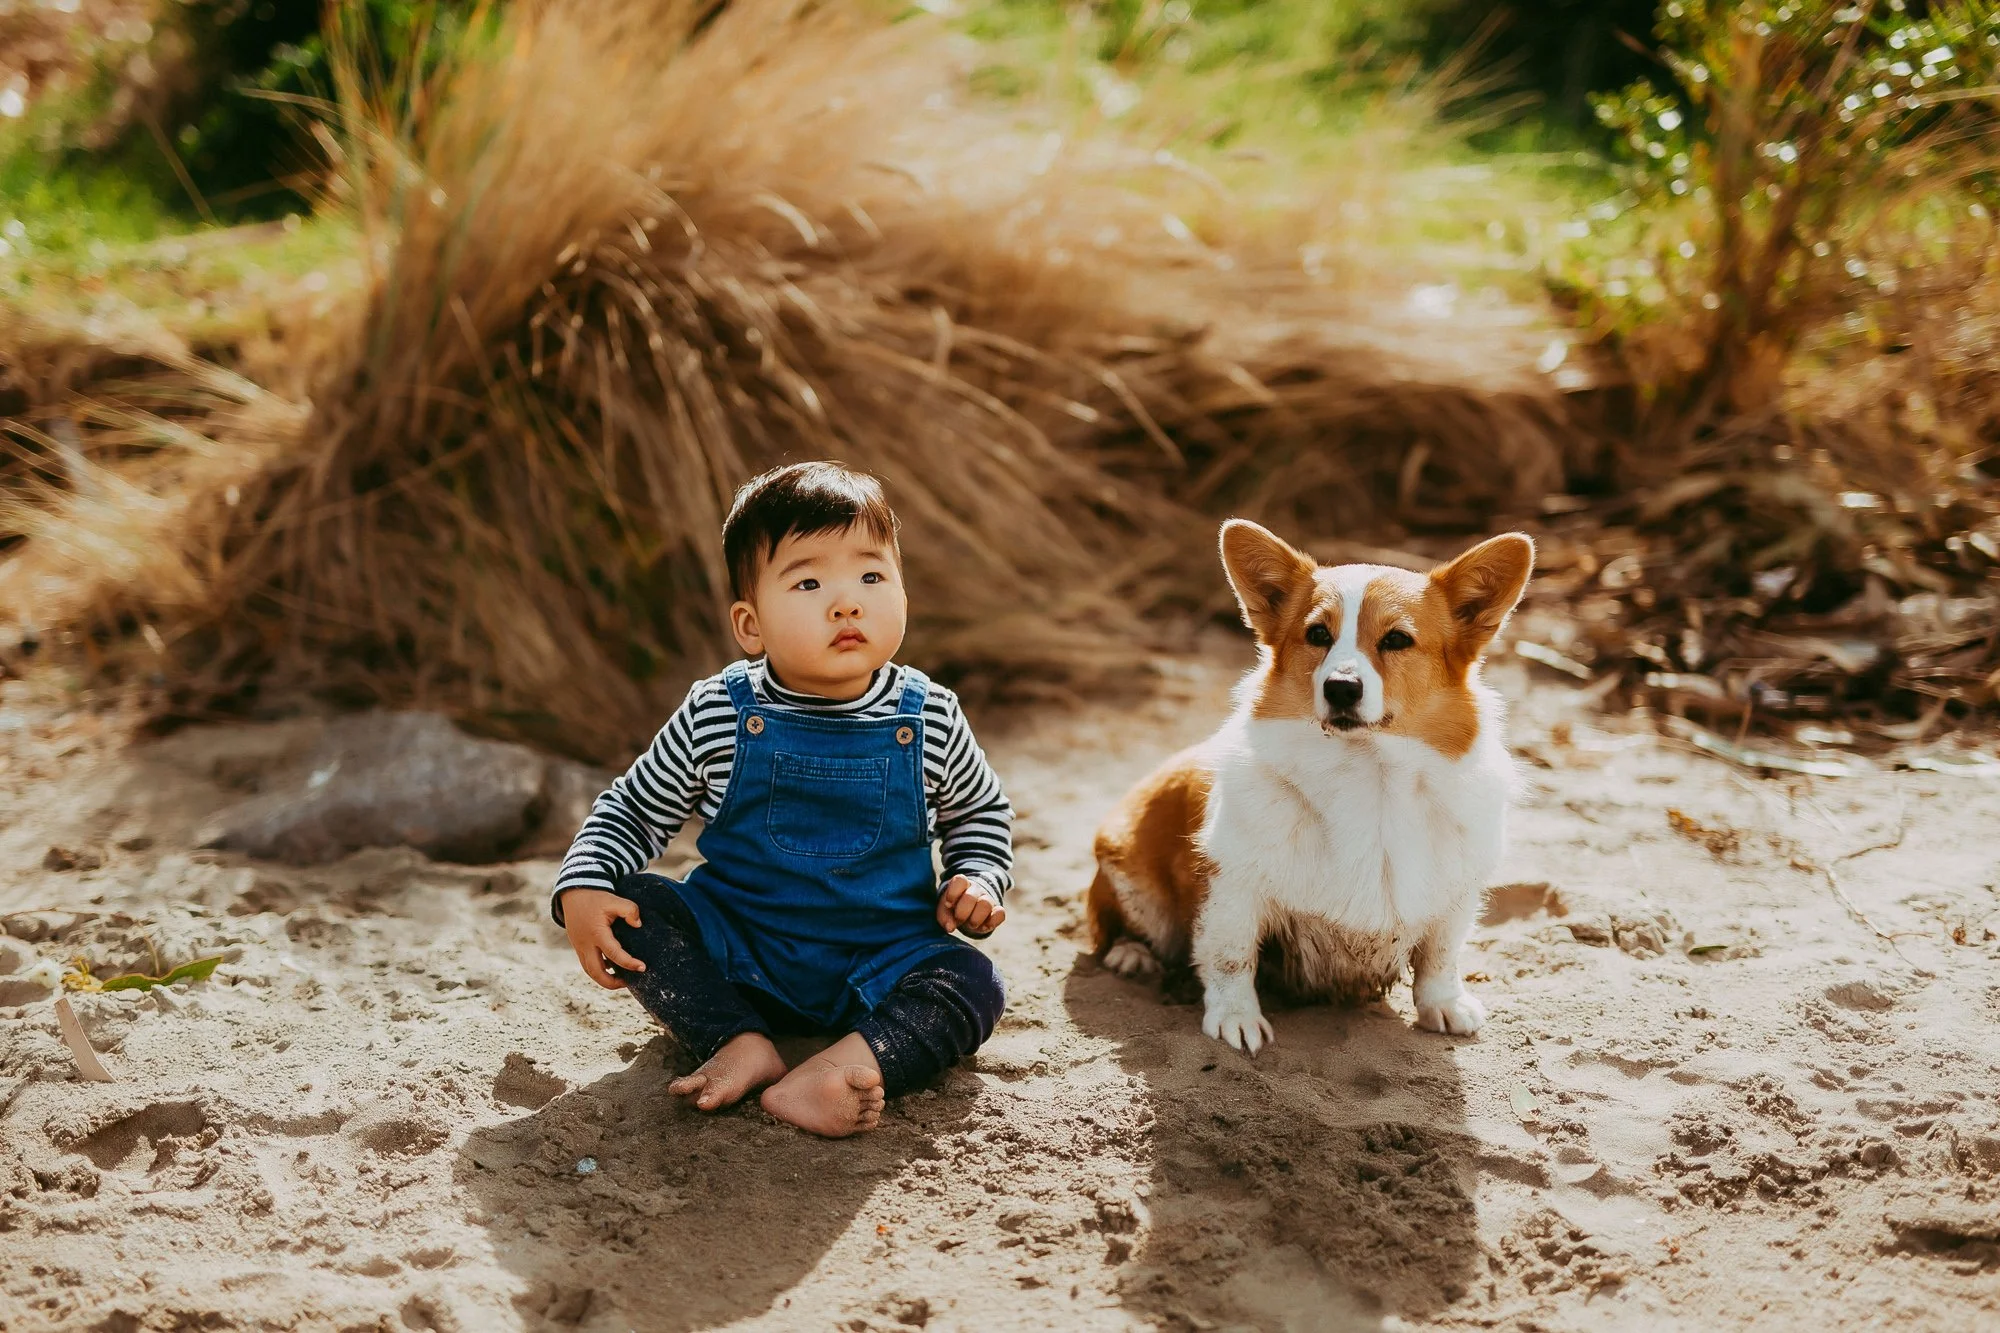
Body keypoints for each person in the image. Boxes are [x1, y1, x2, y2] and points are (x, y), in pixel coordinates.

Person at [553, 462, 1012, 1137]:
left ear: (903, 596)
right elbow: (633, 806)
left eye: (871, 576)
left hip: (881, 960)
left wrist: (977, 874)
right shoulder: (720, 711)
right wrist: (583, 882)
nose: (847, 602)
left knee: (974, 981)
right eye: (808, 581)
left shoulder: (931, 715)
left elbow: (978, 812)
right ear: (750, 623)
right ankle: (737, 1039)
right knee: (637, 907)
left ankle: (848, 1062)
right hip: (742, 950)